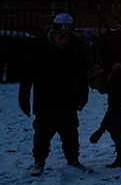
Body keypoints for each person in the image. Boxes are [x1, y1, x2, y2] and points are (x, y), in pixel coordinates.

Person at [19, 13, 90, 175]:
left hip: (68, 97)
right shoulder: (39, 48)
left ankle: (73, 161)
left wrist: (83, 94)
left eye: (66, 38)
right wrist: (23, 98)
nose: (63, 41)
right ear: (54, 33)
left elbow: (81, 73)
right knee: (43, 132)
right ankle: (39, 161)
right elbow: (27, 75)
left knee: (71, 131)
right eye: (60, 38)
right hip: (45, 98)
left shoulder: (76, 45)